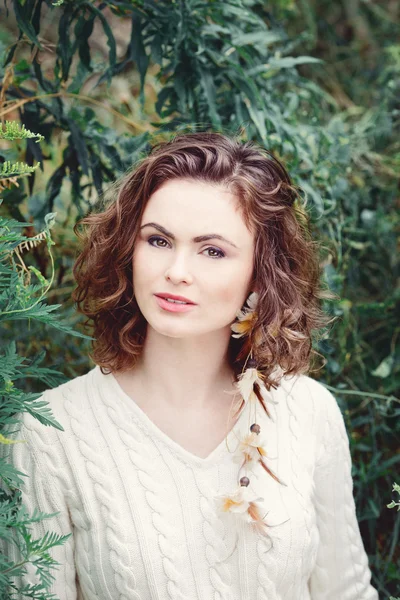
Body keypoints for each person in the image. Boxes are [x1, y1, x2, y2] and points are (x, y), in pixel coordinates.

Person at [3, 132, 379, 599]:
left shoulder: (309, 411)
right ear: (128, 250)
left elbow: (348, 591)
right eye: (158, 240)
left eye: (213, 250)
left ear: (261, 272)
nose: (177, 270)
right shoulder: (48, 433)